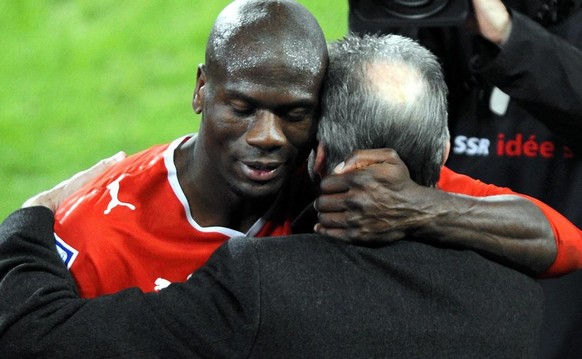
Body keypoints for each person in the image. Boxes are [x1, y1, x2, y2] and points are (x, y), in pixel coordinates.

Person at [0, 33, 545, 359]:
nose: (266, 137)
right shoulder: (520, 298)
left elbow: (36, 337)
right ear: (444, 151)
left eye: (292, 115)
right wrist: (428, 206)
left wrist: (28, 223)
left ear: (321, 159)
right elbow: (562, 240)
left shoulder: (263, 285)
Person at [347, 0, 582, 357]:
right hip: (438, 299)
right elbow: (367, 126)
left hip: (563, 308)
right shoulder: (440, 15)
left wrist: (507, 35)